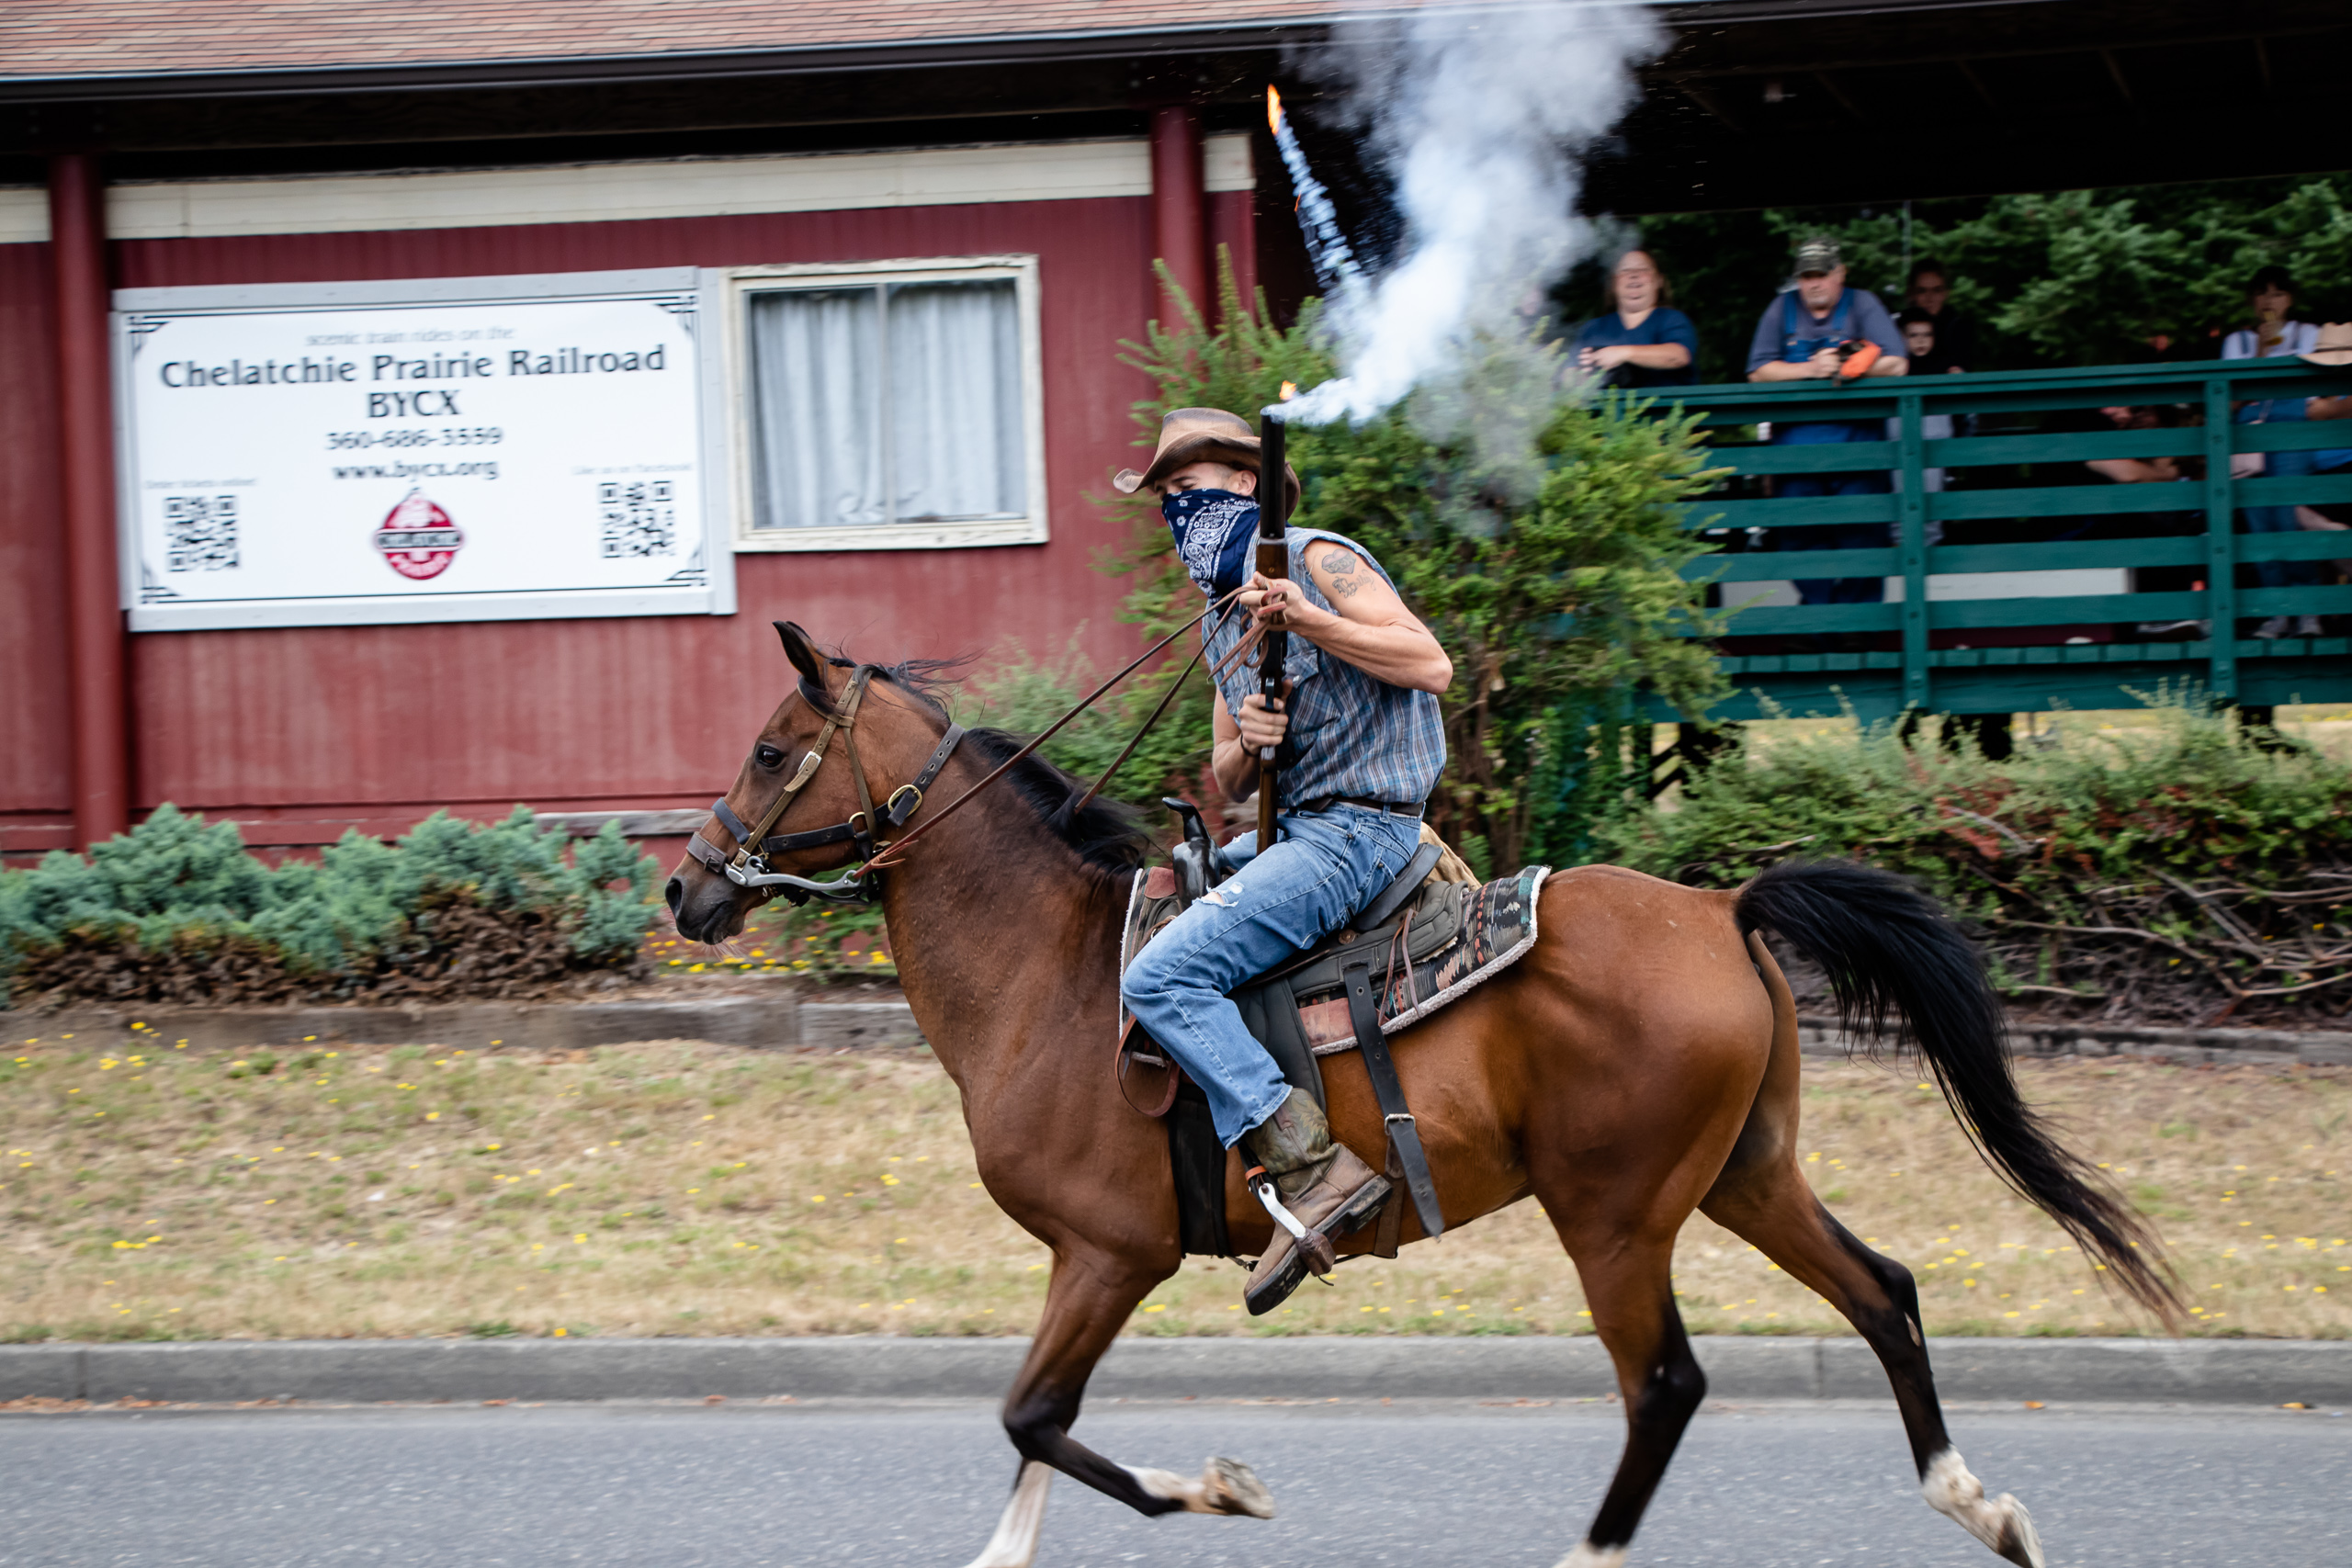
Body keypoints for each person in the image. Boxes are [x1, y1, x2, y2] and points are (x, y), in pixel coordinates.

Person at [1111, 407, 1453, 1314]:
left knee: (1161, 976)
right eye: (1167, 497)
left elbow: (1430, 664)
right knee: (1153, 896)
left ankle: (1310, 1168)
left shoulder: (1320, 560)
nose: (1179, 510)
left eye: (1190, 488)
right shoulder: (1217, 617)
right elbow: (1228, 769)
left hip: (1360, 832)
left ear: (1246, 483)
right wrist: (1252, 742)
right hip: (1293, 831)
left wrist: (1309, 618)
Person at [1745, 236, 1909, 605]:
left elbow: (1897, 364)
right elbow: (1757, 372)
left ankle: (1855, 628)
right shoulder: (1781, 309)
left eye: (1821, 274)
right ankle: (1820, 623)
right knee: (1799, 545)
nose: (1814, 283)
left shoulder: (1863, 303)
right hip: (1796, 460)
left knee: (1864, 543)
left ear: (1841, 273)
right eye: (1806, 276)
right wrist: (1810, 368)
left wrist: (1851, 367)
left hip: (1859, 456)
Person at [2222, 265, 2324, 637]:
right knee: (2259, 522)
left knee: (2289, 515)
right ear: (2252, 301)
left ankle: (2308, 609)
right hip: (2249, 437)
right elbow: (2231, 399)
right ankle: (2277, 612)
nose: (2270, 300)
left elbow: (2313, 391)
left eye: (2278, 293)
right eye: (2262, 293)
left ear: (2290, 299)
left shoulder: (2309, 334)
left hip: (2292, 433)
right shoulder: (2237, 342)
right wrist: (2262, 350)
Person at [1573, 249, 1698, 389]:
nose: (1634, 275)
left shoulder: (1672, 319)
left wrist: (1623, 353)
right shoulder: (1594, 328)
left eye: (1643, 269)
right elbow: (1568, 373)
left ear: (1659, 281)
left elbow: (1679, 356)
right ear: (1613, 283)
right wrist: (1579, 376)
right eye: (1625, 270)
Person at [1905, 258, 1977, 372]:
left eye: (1937, 290)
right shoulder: (1899, 328)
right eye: (1922, 291)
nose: (1930, 298)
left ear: (1946, 293)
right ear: (1911, 294)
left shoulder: (1959, 329)